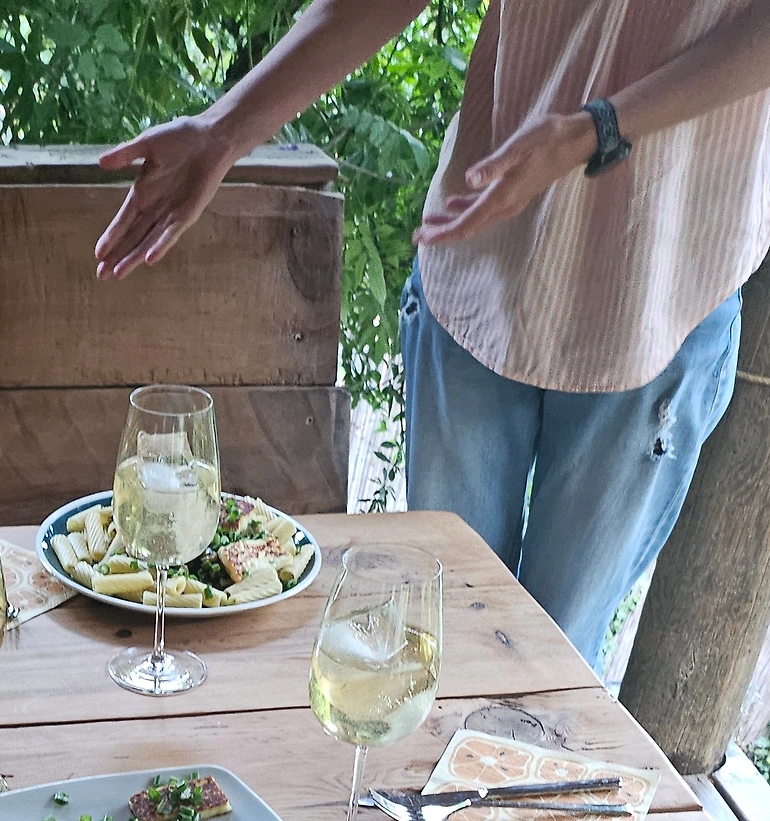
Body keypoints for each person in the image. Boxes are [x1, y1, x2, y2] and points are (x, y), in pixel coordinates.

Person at [94, 2, 770, 668]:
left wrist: (597, 129)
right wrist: (222, 132)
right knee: (443, 640)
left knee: (551, 665)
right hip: (476, 272)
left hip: (657, 296)